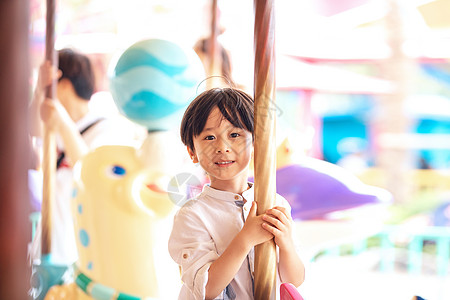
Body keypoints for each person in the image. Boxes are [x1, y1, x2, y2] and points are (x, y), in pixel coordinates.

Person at [168, 88, 305, 299]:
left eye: (235, 135)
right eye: (209, 137)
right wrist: (245, 239)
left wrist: (285, 244)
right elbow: (205, 289)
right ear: (192, 152)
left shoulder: (275, 203)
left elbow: (294, 280)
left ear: (256, 144)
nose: (222, 147)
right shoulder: (192, 215)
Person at [29, 48, 145, 265]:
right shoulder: (53, 125)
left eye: (47, 85)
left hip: (79, 258)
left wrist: (63, 124)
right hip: (46, 251)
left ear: (62, 85)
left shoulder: (108, 129)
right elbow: (31, 128)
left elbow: (90, 173)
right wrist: (38, 91)